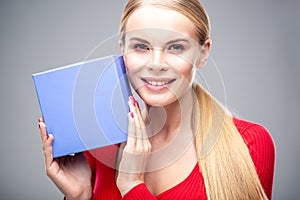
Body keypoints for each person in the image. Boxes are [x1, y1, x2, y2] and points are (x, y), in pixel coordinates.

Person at [38, 0, 275, 199]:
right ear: (123, 50)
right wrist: (79, 197)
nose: (156, 64)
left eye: (175, 47)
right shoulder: (101, 145)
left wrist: (132, 186)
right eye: (141, 46)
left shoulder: (249, 145)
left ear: (203, 54)